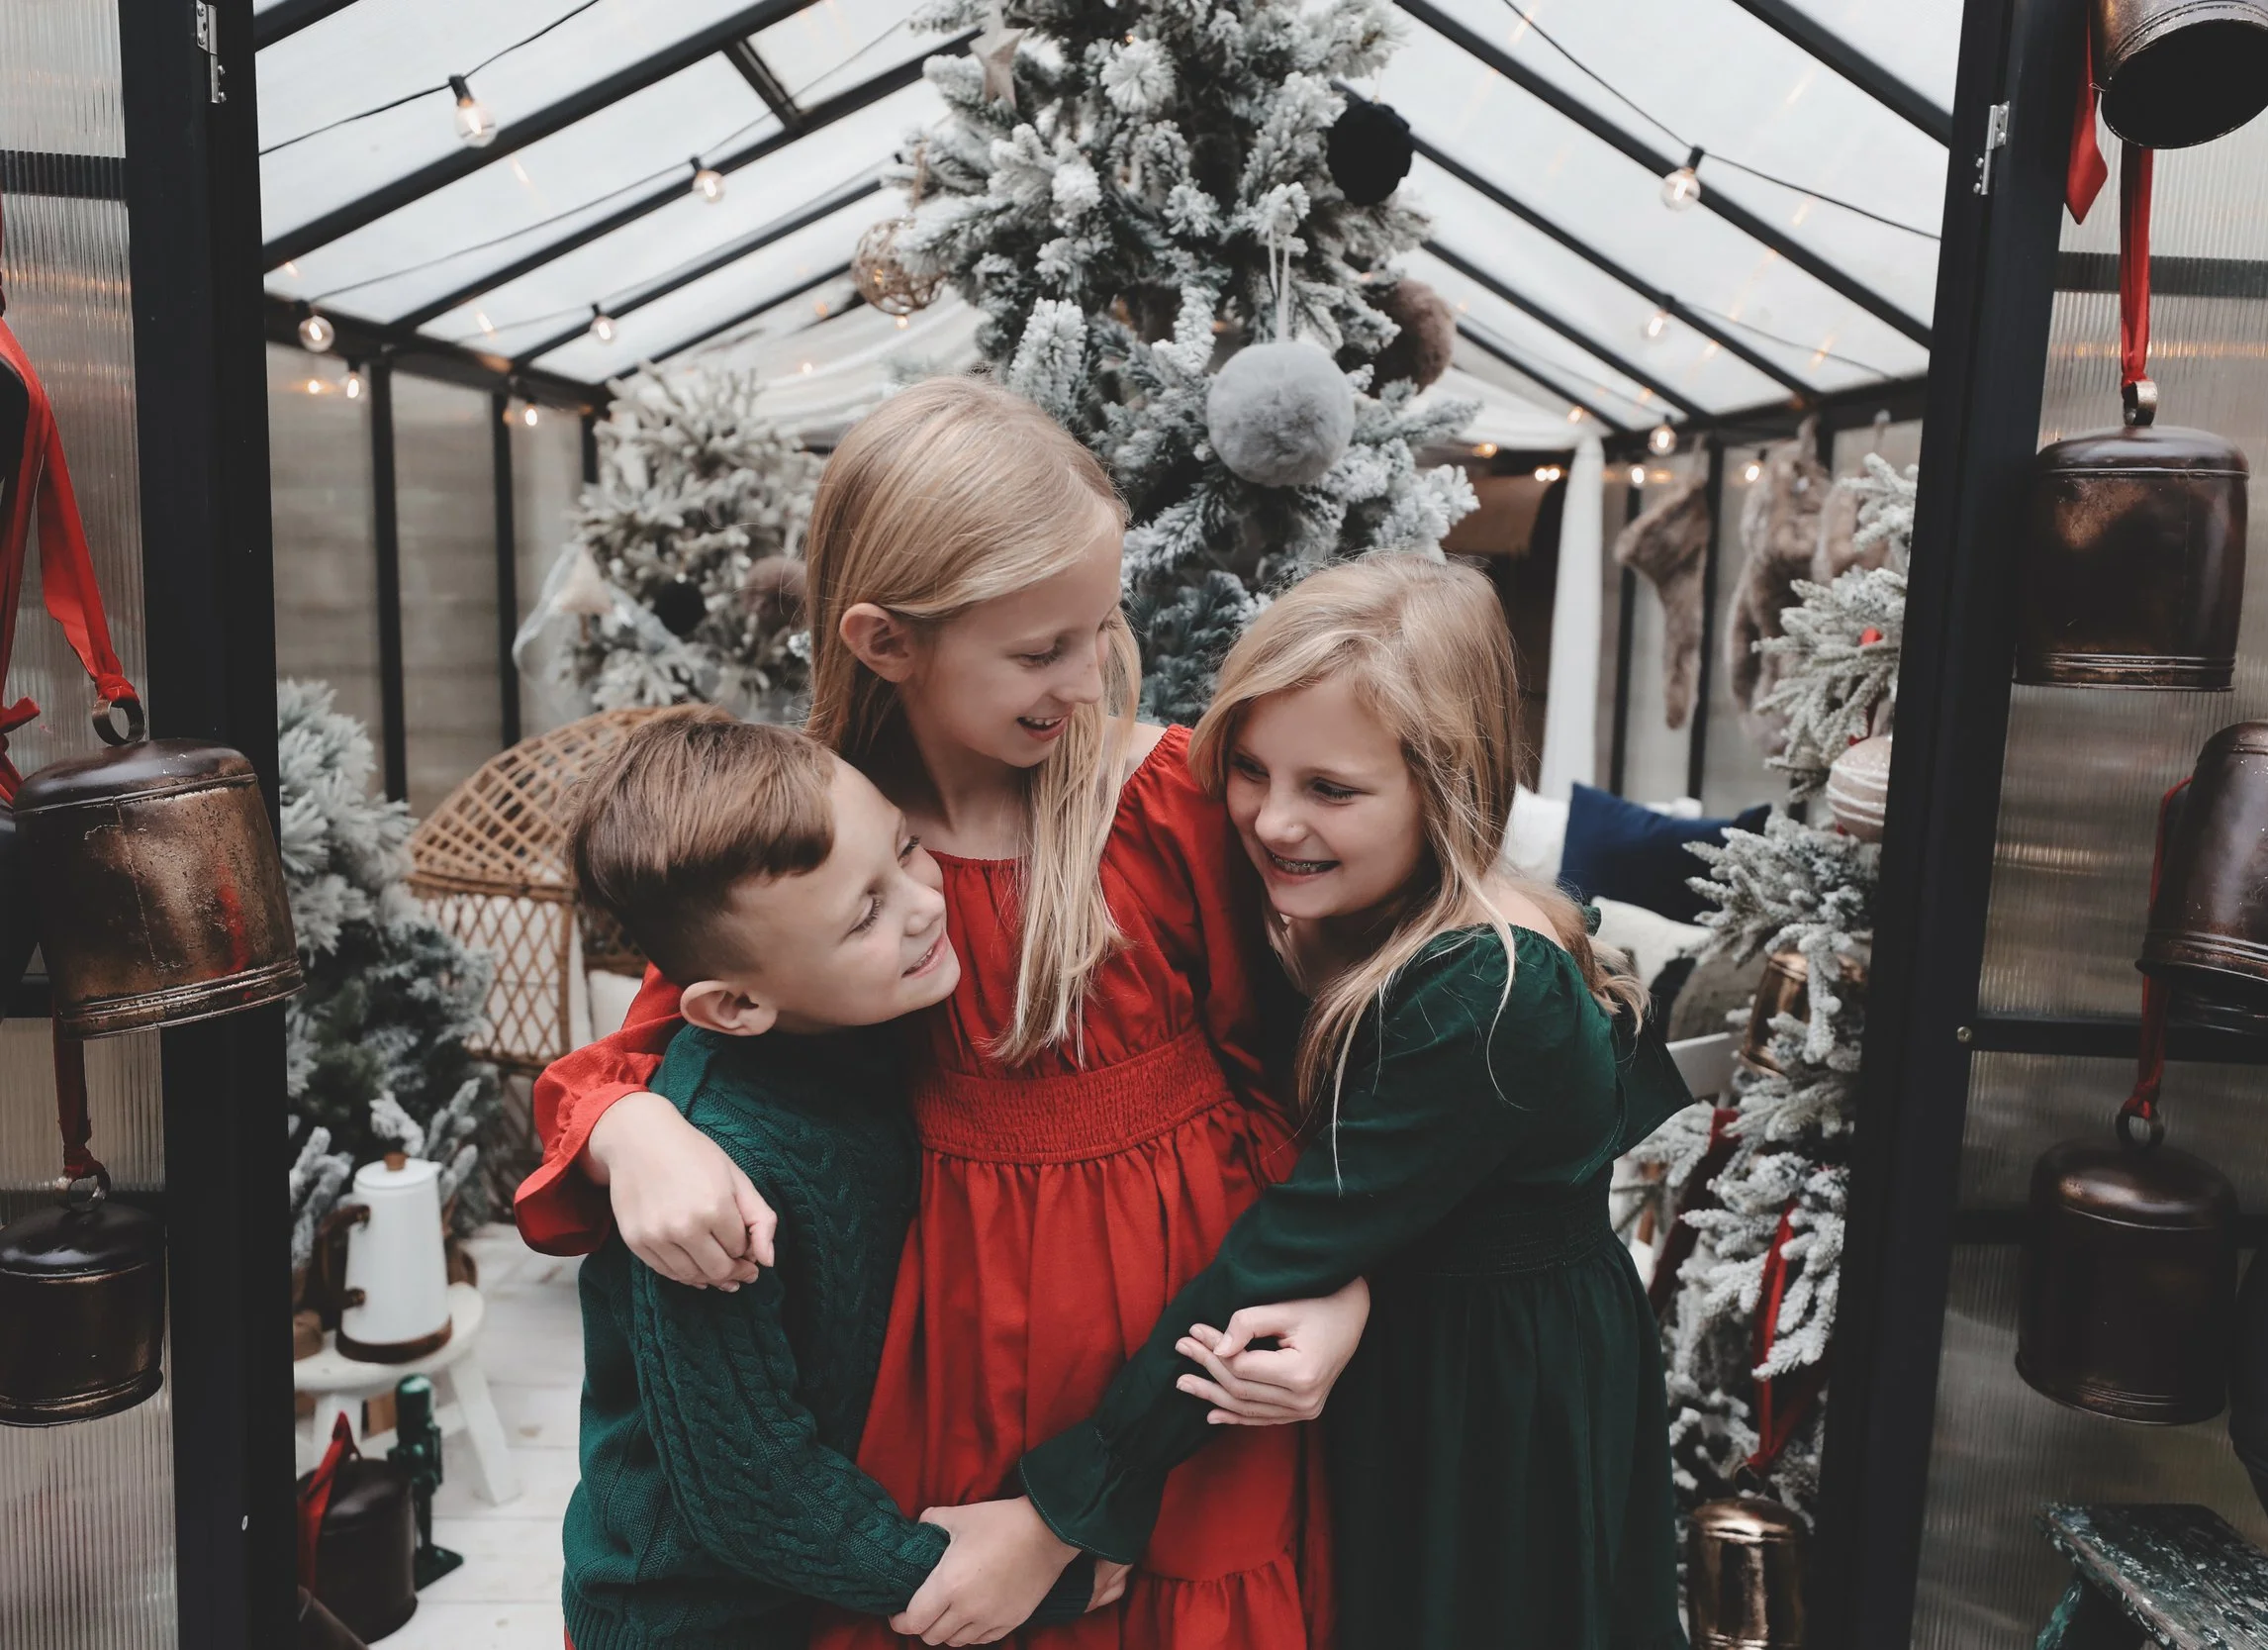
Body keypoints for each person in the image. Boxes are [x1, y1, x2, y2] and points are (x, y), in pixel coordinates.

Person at [515, 378, 1360, 1648]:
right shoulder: (810, 848)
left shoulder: (1164, 797)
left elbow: (1295, 1078)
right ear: (884, 639)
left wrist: (1338, 1290)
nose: (1085, 678)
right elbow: (650, 1049)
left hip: (1184, 1371)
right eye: (1037, 650)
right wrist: (634, 1131)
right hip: (942, 1373)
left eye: (1099, 629)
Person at [989, 556, 1695, 1650]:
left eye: (1331, 788)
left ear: (1447, 785)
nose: (1272, 820)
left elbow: (1284, 1244)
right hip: (1432, 1337)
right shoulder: (1350, 907)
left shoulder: (1483, 988)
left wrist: (1068, 1501)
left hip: (1486, 1390)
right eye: (1250, 769)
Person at [554, 709, 1119, 1649]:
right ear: (736, 1003)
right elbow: (751, 1484)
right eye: (865, 912)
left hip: (805, 1593)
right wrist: (1012, 1580)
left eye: (906, 848)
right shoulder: (720, 1181)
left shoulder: (869, 1024)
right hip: (685, 1619)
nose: (923, 903)